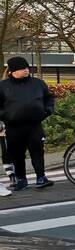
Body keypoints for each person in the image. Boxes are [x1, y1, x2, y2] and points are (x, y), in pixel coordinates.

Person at [0, 56, 54, 191]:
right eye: (22, 69)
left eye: (27, 68)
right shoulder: (3, 86)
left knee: (37, 151)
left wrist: (47, 111)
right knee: (17, 154)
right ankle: (21, 180)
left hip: (34, 125)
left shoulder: (38, 83)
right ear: (13, 71)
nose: (26, 70)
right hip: (13, 126)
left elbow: (49, 98)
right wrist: (6, 116)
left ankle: (41, 177)